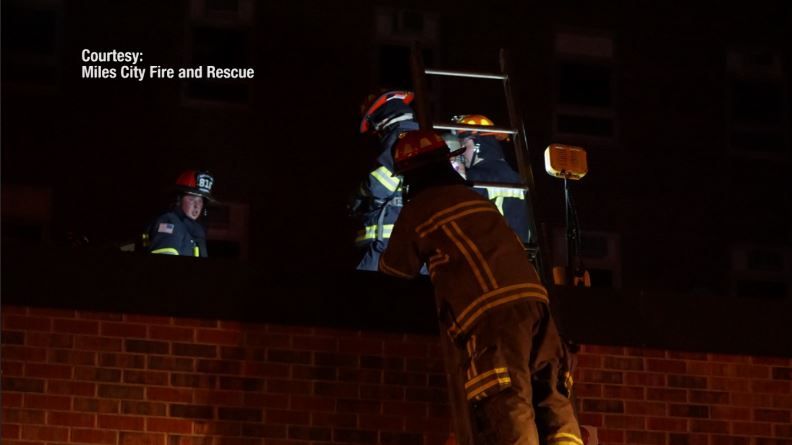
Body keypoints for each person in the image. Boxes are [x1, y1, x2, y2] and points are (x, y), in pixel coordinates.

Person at [379, 130, 581, 445]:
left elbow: (393, 272)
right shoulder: (478, 201)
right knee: (552, 395)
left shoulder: (419, 209)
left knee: (505, 397)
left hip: (491, 313)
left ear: (410, 176)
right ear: (445, 162)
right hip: (536, 301)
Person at [350, 89, 419, 271]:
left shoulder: (399, 138)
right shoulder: (419, 136)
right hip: (413, 240)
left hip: (388, 243)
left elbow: (379, 186)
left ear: (382, 120)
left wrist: (359, 199)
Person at [453, 114, 532, 243]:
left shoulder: (477, 177)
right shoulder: (518, 177)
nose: (460, 152)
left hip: (489, 256)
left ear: (478, 145)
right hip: (520, 255)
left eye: (463, 144)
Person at [143, 170, 214, 257]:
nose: (197, 206)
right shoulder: (170, 223)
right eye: (192, 199)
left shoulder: (192, 230)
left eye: (200, 201)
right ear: (178, 200)